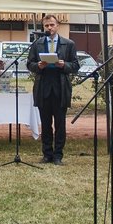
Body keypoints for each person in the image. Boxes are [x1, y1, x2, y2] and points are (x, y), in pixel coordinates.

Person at [26, 15, 78, 164]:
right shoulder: (37, 44)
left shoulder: (68, 44)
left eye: (52, 25)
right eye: (47, 25)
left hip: (61, 88)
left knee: (60, 125)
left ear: (58, 25)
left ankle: (58, 155)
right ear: (44, 27)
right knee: (46, 123)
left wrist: (64, 65)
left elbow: (75, 65)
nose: (49, 28)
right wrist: (38, 66)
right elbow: (30, 64)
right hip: (43, 87)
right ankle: (47, 154)